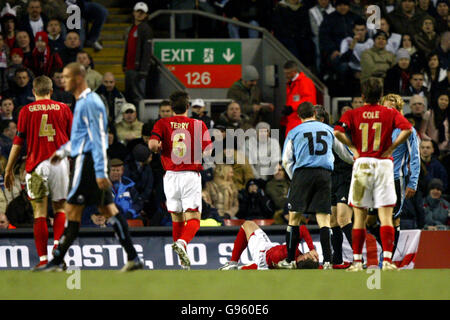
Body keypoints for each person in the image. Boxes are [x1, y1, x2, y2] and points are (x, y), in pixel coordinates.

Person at [40, 62, 143, 272]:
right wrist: (63, 152)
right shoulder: (84, 102)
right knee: (108, 210)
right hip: (87, 160)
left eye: (67, 77)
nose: (63, 81)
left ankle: (56, 261)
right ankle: (133, 258)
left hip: (88, 163)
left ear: (78, 78)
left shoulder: (91, 103)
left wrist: (98, 172)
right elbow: (81, 137)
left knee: (72, 211)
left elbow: (98, 139)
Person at [334, 78, 413, 271]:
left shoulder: (353, 113)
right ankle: (387, 261)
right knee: (386, 216)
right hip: (384, 164)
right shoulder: (390, 112)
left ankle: (357, 262)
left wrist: (353, 148)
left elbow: (337, 132)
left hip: (362, 164)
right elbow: (408, 129)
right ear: (380, 96)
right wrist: (392, 147)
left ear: (362, 96)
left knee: (359, 216)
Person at [3, 75, 72, 270]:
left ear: (34, 92)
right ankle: (57, 250)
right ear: (51, 91)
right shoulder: (64, 108)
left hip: (37, 165)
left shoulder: (25, 111)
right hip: (59, 163)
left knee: (39, 212)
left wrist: (9, 169)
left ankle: (43, 260)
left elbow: (18, 142)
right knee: (60, 208)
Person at [149, 90, 212, 270]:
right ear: (188, 106)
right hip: (190, 175)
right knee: (193, 218)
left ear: (171, 107)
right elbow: (208, 151)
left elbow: (153, 144)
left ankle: (181, 262)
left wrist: (157, 148)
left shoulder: (162, 123)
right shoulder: (198, 124)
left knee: (176, 217)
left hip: (170, 176)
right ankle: (183, 243)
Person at [278, 102, 337, 269]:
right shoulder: (329, 130)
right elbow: (342, 152)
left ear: (299, 116)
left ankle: (289, 261)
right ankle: (327, 261)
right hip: (324, 174)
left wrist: (294, 178)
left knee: (294, 218)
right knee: (324, 219)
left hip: (302, 174)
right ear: (314, 113)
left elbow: (286, 160)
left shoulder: (294, 131)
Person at [366, 94, 421, 259]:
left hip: (395, 179)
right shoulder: (373, 126)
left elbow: (415, 157)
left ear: (398, 110)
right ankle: (385, 248)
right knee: (370, 220)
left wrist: (413, 182)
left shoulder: (407, 130)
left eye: (392, 107)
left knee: (392, 219)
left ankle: (387, 257)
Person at [219, 220, 319, 270]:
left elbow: (302, 228)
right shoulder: (302, 265)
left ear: (304, 258)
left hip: (263, 253)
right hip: (269, 256)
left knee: (247, 224)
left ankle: (233, 263)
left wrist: (311, 248)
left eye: (311, 256)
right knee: (257, 266)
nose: (312, 254)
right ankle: (242, 268)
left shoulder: (290, 255)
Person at [123, 2, 153, 107]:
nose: (139, 14)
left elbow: (147, 51)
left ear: (146, 15)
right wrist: (124, 65)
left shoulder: (145, 29)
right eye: (138, 11)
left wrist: (143, 70)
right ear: (133, 13)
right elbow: (127, 48)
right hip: (129, 68)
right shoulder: (131, 28)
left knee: (138, 97)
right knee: (129, 97)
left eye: (142, 12)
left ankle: (140, 121)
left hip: (138, 70)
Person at [282, 60, 317, 136]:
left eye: (288, 73)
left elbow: (309, 100)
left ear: (294, 72)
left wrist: (292, 107)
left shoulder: (304, 82)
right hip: (293, 122)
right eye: (285, 73)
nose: (286, 75)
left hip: (301, 122)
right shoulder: (292, 83)